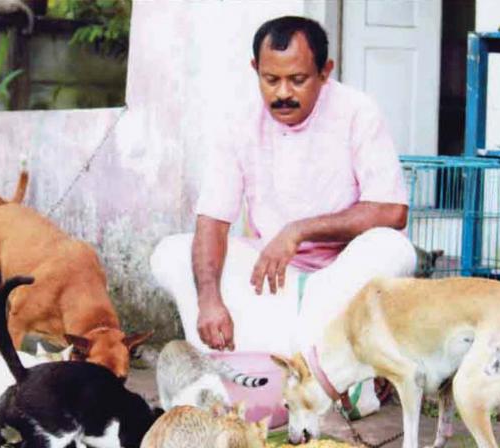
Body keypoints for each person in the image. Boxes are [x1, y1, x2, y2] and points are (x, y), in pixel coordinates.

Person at [150, 15, 416, 365]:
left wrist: (299, 231)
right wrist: (210, 300)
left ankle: (312, 357)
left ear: (325, 71)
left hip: (341, 280)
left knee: (393, 248)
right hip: (273, 278)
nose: (283, 93)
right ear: (255, 68)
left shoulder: (357, 111)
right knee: (171, 253)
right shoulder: (239, 121)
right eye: (270, 79)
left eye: (298, 79)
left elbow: (391, 211)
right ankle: (235, 365)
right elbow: (213, 218)